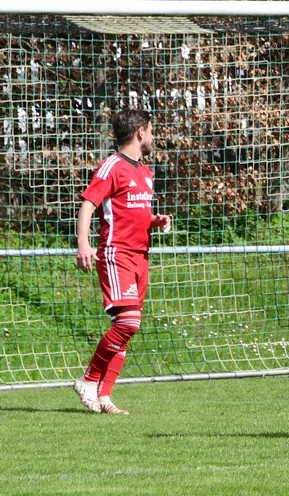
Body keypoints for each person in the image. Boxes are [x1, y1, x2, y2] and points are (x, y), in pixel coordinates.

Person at [73, 109, 171, 415]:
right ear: (140, 132)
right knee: (129, 322)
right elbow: (89, 203)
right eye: (152, 131)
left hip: (141, 255)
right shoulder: (111, 166)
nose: (154, 137)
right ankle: (88, 380)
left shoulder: (144, 172)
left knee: (124, 329)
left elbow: (133, 213)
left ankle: (104, 397)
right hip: (117, 254)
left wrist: (155, 220)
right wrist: (84, 243)